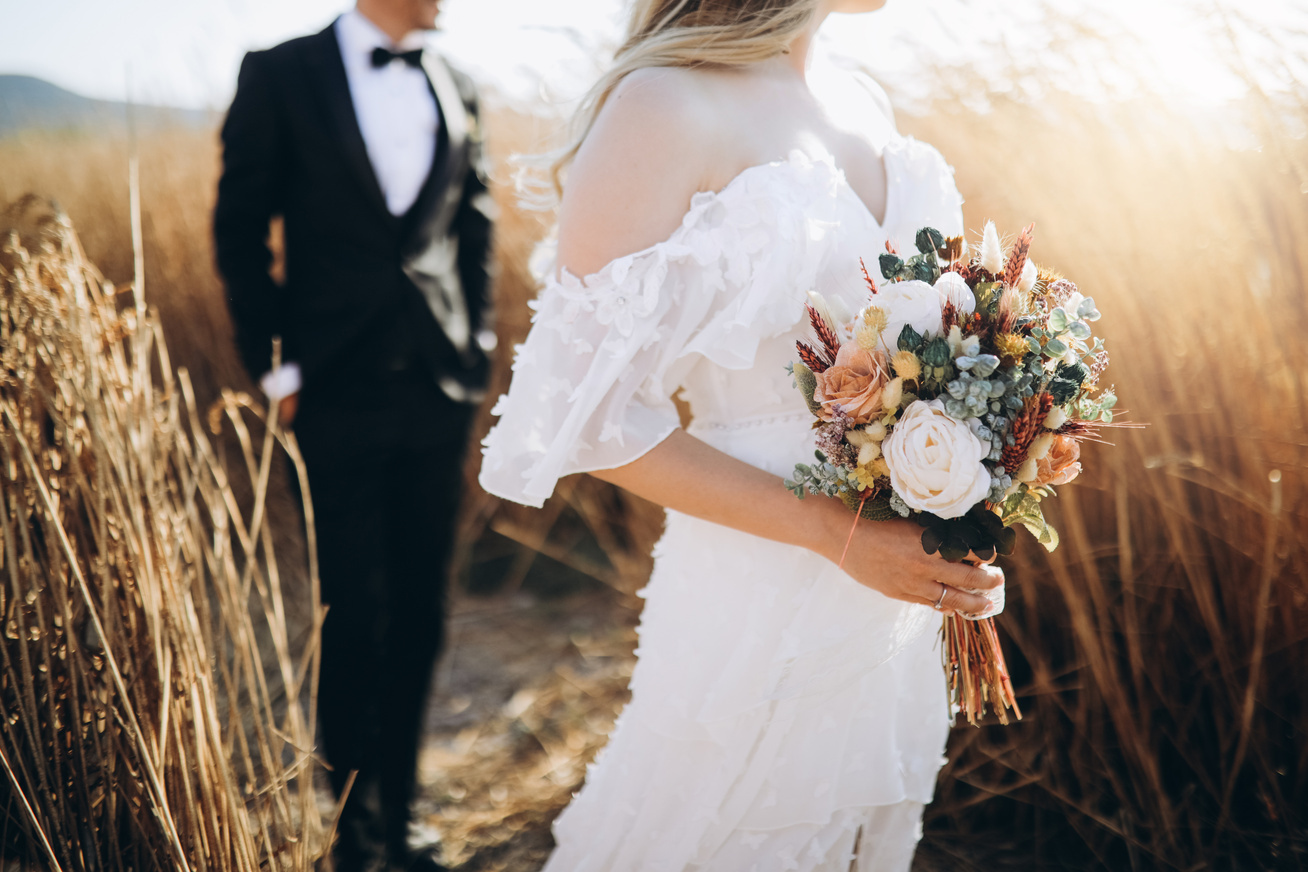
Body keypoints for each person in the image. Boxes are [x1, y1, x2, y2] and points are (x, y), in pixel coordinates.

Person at [479, 0, 1006, 869]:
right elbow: (594, 418)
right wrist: (834, 534)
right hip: (756, 579)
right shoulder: (663, 103)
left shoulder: (863, 99)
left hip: (890, 593)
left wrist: (972, 491)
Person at [213, 0, 495, 868]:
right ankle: (353, 827)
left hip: (437, 387)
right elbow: (238, 225)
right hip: (329, 386)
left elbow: (472, 226)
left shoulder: (458, 83)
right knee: (354, 608)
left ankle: (402, 813)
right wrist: (278, 371)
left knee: (420, 607)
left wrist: (478, 346)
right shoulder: (280, 71)